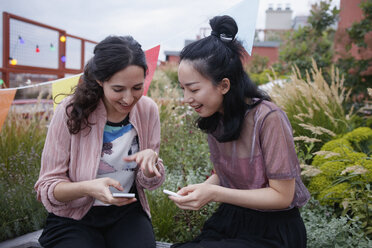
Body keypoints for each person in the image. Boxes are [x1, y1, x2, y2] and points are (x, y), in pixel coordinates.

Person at [169, 15, 310, 248]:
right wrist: (205, 188)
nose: (186, 99)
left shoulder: (269, 118)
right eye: (183, 89)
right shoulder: (216, 118)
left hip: (274, 230)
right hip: (232, 219)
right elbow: (227, 173)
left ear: (224, 85)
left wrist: (214, 194)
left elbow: (282, 196)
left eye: (193, 89)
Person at [34, 35, 165, 248]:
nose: (129, 98)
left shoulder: (147, 110)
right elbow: (47, 186)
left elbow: (147, 183)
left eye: (137, 88)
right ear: (99, 80)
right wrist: (88, 188)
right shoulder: (70, 111)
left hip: (126, 212)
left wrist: (151, 166)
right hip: (72, 216)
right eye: (118, 89)